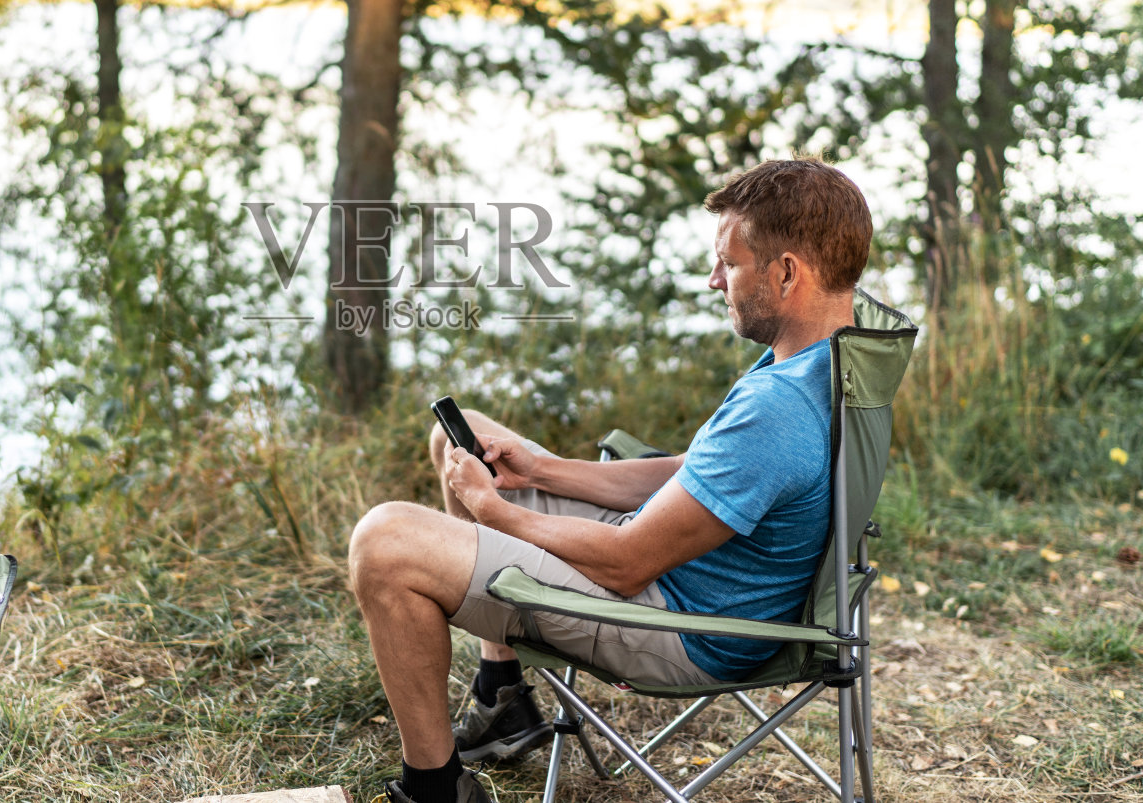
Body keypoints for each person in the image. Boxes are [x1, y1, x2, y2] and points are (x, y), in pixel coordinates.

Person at [347, 158, 875, 803]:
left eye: (729, 264)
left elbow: (627, 566)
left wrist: (494, 510)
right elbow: (697, 476)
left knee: (386, 541)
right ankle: (501, 696)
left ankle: (435, 788)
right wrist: (540, 468)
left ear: (787, 271)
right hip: (682, 575)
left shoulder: (779, 409)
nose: (715, 281)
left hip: (679, 626)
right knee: (460, 433)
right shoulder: (832, 361)